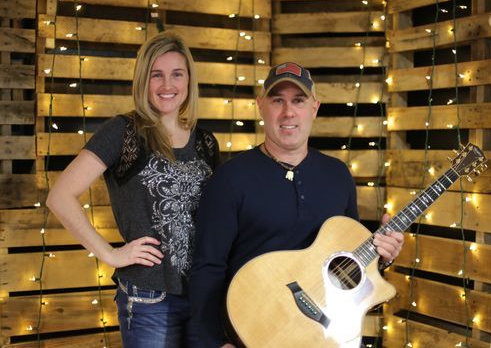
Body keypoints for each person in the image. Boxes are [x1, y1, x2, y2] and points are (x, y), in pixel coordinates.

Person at [189, 61, 404, 347]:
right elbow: (208, 267)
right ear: (260, 106)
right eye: (278, 100)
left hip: (322, 335)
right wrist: (211, 342)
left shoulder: (338, 175)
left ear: (314, 108)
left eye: (298, 101)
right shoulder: (230, 178)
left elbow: (347, 266)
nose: (288, 112)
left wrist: (383, 255)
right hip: (252, 337)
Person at [46, 31, 220, 347]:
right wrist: (109, 254)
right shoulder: (124, 132)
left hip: (204, 296)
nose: (168, 85)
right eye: (157, 75)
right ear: (143, 80)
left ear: (188, 80)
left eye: (176, 74)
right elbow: (59, 196)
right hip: (147, 299)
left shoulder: (206, 142)